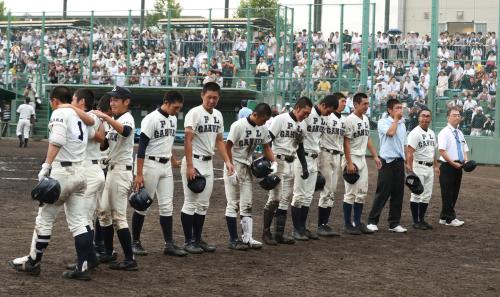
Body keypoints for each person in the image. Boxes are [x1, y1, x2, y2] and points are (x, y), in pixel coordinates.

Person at [9, 86, 96, 280]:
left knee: (45, 218)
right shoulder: (79, 115)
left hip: (62, 171)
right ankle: (82, 267)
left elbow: (56, 140)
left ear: (55, 100)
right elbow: (91, 129)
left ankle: (33, 262)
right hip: (81, 172)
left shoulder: (59, 112)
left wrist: (46, 166)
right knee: (79, 222)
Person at [180, 82, 235, 254]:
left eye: (215, 98)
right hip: (194, 161)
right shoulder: (194, 113)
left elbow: (219, 140)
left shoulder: (218, 115)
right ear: (202, 95)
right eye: (209, 97)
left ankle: (197, 239)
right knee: (190, 202)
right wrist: (190, 166)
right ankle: (188, 241)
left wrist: (227, 161)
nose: (212, 100)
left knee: (203, 204)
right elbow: (187, 140)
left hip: (208, 162)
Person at [131, 91, 187, 257]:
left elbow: (167, 143)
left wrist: (173, 160)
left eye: (179, 108)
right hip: (149, 164)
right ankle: (135, 242)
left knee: (167, 205)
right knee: (142, 204)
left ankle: (168, 244)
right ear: (167, 102)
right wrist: (139, 174)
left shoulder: (173, 119)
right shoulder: (151, 118)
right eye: (175, 107)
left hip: (165, 166)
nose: (177, 111)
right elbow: (141, 147)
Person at [93, 86, 138, 270]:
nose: (112, 103)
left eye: (116, 100)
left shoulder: (127, 118)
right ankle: (109, 253)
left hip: (121, 171)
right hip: (110, 170)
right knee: (103, 213)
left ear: (126, 102)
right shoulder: (115, 120)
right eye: (111, 100)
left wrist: (105, 118)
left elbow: (126, 132)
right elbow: (104, 146)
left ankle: (130, 259)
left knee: (119, 217)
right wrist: (99, 126)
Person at [224, 103, 275, 250]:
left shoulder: (262, 128)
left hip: (247, 166)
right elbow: (227, 146)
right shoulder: (238, 125)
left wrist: (274, 163)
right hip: (234, 165)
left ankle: (247, 238)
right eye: (263, 119)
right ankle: (233, 239)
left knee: (247, 203)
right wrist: (230, 167)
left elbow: (266, 147)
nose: (264, 123)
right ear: (255, 114)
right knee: (233, 203)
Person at [261, 97, 312, 245]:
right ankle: (266, 232)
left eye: (308, 113)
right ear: (297, 108)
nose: (306, 115)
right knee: (275, 198)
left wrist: (304, 165)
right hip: (278, 160)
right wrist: (268, 161)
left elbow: (300, 147)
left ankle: (279, 234)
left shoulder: (303, 125)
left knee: (285, 199)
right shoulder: (280, 119)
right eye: (304, 112)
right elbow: (268, 140)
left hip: (292, 162)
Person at [290, 95, 336, 241]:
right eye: (329, 110)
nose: (329, 113)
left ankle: (303, 228)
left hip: (314, 158)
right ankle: (296, 229)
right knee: (299, 195)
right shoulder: (308, 116)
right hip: (302, 157)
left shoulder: (324, 118)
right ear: (322, 104)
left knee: (308, 196)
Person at [342, 93, 382, 235]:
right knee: (350, 193)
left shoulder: (365, 119)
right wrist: (349, 163)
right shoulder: (349, 120)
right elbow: (346, 142)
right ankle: (347, 224)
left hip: (362, 159)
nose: (367, 106)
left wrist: (375, 156)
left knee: (362, 193)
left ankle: (357, 222)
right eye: (364, 104)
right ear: (355, 104)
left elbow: (368, 139)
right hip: (352, 157)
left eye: (367, 103)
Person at [366, 99, 408, 233]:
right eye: (397, 108)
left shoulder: (403, 124)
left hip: (399, 162)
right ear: (389, 110)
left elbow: (404, 144)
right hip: (387, 162)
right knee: (383, 192)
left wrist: (406, 161)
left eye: (401, 108)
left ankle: (394, 223)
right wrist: (396, 119)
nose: (400, 110)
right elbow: (390, 133)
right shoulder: (383, 122)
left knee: (398, 193)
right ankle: (372, 221)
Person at [317, 92, 347, 236]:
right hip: (325, 154)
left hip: (337, 155)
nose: (344, 104)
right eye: (342, 101)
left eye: (345, 101)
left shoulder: (344, 120)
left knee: (333, 191)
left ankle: (325, 223)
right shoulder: (326, 116)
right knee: (326, 189)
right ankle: (321, 225)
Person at [406, 108, 439, 230]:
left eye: (428, 116)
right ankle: (416, 221)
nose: (425, 118)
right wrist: (409, 168)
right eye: (423, 116)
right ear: (419, 118)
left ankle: (422, 220)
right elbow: (409, 152)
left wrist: (436, 165)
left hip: (429, 167)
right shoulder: (415, 133)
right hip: (418, 166)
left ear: (430, 118)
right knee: (416, 194)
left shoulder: (431, 133)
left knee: (426, 195)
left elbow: (433, 151)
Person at [438, 107, 469, 227]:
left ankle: (444, 217)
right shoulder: (444, 132)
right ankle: (450, 219)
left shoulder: (460, 133)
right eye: (454, 115)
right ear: (448, 117)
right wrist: (452, 163)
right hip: (447, 166)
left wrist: (466, 161)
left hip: (458, 166)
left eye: (458, 115)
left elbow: (464, 149)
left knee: (454, 193)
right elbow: (442, 151)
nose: (457, 117)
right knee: (447, 193)